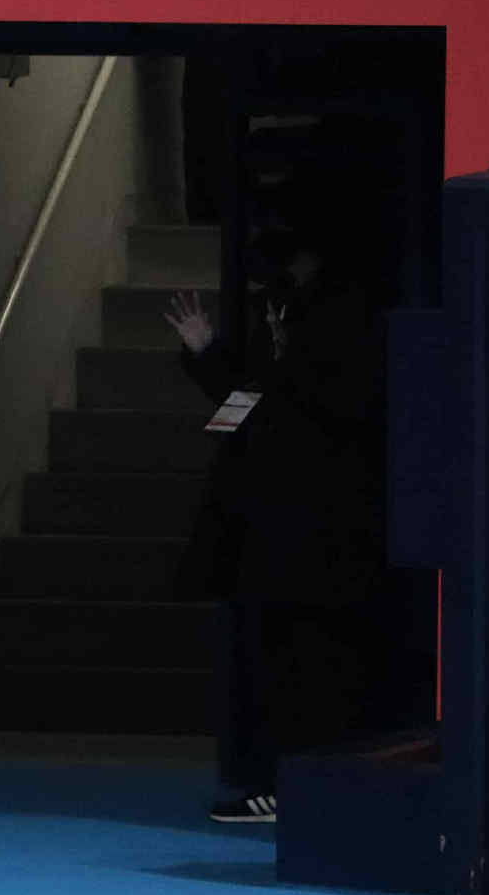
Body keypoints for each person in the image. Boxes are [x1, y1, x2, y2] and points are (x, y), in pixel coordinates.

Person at [163, 226, 388, 823]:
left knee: (313, 666)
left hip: (321, 529)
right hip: (269, 526)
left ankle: (304, 790)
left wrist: (247, 364)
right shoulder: (281, 318)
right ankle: (284, 784)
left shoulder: (344, 322)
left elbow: (293, 407)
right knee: (279, 663)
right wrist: (207, 351)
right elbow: (248, 403)